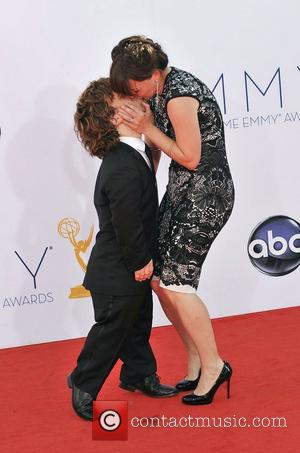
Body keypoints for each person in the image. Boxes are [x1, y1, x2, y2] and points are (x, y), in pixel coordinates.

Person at [110, 36, 235, 405]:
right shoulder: (156, 93)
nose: (133, 92)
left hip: (206, 196)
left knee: (178, 283)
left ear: (153, 73)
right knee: (161, 280)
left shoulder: (180, 95)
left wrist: (148, 127)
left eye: (135, 85)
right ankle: (196, 356)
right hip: (181, 193)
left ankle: (215, 366)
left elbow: (191, 157)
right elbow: (159, 151)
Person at [68, 78, 178, 421]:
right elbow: (126, 222)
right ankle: (83, 383)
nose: (136, 98)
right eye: (124, 99)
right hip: (119, 269)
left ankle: (138, 374)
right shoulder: (120, 165)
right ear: (114, 118)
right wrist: (141, 261)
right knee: (113, 329)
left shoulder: (135, 153)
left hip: (126, 266)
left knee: (138, 323)